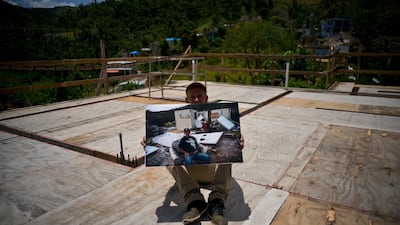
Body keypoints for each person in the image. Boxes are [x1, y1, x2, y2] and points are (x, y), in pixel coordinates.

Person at [142, 82, 244, 225]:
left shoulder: (210, 120)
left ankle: (217, 200)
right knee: (167, 154)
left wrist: (239, 142)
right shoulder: (181, 122)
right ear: (187, 100)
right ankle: (195, 200)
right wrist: (147, 143)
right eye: (193, 97)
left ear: (206, 98)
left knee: (230, 146)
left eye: (199, 96)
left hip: (212, 172)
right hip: (189, 173)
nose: (196, 100)